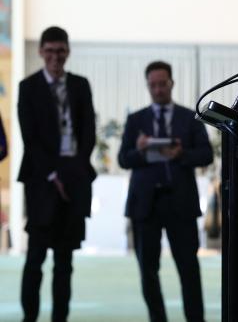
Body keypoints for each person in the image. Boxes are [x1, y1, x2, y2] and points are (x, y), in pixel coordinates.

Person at [118, 61, 212, 322]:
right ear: (147, 86)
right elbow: (123, 159)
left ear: (172, 83)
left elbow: (206, 155)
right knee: (148, 270)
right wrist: (140, 150)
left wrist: (182, 154)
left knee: (188, 269)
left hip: (180, 202)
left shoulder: (189, 117)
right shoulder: (136, 120)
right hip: (145, 205)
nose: (158, 89)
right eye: (153, 85)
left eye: (163, 84)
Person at [18, 26, 96, 322]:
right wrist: (54, 175)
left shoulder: (80, 85)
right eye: (49, 50)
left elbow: (88, 132)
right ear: (40, 52)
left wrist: (71, 172)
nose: (55, 57)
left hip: (74, 179)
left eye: (60, 50)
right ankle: (30, 317)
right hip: (41, 182)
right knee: (35, 257)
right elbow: (31, 139)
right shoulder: (28, 87)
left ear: (68, 52)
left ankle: (59, 318)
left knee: (65, 261)